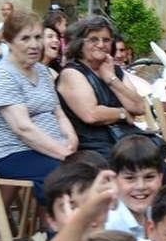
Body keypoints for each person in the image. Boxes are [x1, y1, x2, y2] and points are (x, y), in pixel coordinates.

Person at [0, 10, 77, 232]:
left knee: (88, 167)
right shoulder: (2, 75)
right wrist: (65, 155)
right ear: (9, 42)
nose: (34, 44)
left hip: (47, 149)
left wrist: (71, 139)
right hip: (11, 152)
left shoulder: (42, 71)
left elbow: (58, 113)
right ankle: (59, 237)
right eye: (25, 38)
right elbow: (22, 128)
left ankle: (61, 232)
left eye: (37, 37)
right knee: (62, 175)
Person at [56, 16, 146, 160]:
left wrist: (111, 79)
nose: (101, 44)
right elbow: (91, 114)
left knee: (160, 166)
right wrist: (122, 113)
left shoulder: (115, 71)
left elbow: (139, 107)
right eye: (93, 39)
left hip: (123, 138)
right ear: (80, 44)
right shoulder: (72, 72)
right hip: (93, 145)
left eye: (106, 40)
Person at [105, 135, 166, 239]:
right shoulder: (109, 225)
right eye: (130, 178)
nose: (140, 186)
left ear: (160, 178)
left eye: (149, 177)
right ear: (114, 180)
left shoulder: (159, 215)